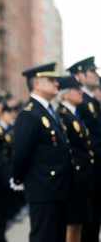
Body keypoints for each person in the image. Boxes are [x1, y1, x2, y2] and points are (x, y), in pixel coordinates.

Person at [11, 62, 72, 242]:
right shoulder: (29, 113)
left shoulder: (48, 110)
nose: (56, 84)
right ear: (37, 84)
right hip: (43, 190)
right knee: (44, 237)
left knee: (58, 237)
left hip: (58, 188)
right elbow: (22, 152)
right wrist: (18, 178)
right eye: (51, 80)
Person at [56, 75, 94, 242]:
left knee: (79, 223)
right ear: (65, 94)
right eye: (76, 90)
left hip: (83, 178)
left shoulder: (73, 114)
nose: (80, 93)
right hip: (74, 178)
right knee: (71, 225)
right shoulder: (62, 115)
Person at [67, 57, 101, 242]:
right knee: (86, 224)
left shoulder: (90, 100)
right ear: (80, 75)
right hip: (87, 168)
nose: (97, 75)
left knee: (93, 220)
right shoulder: (81, 100)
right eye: (92, 72)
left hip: (94, 168)